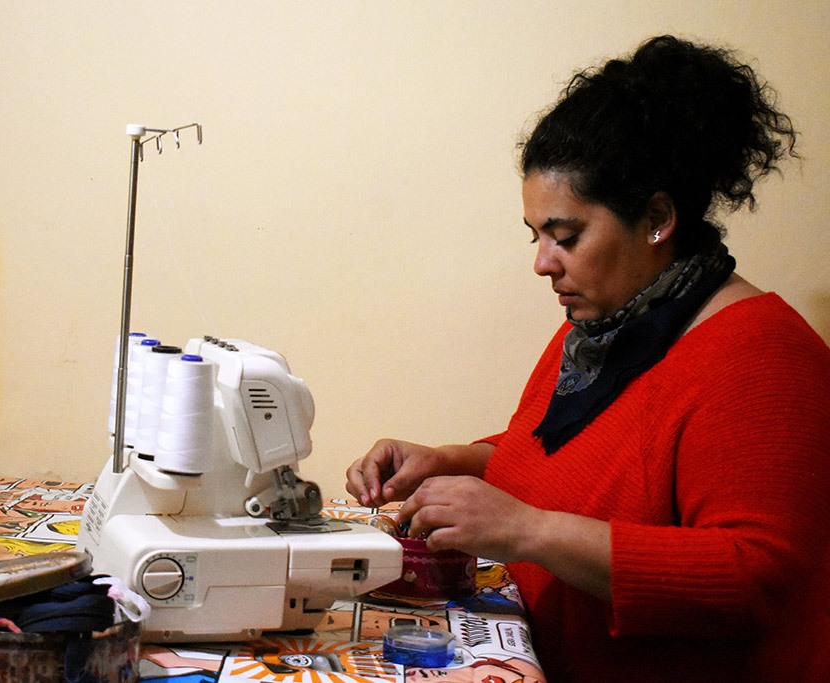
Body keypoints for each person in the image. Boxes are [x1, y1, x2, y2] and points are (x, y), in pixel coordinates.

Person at [345, 35, 830, 682]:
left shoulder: (763, 355)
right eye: (536, 236)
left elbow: (755, 577)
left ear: (657, 217)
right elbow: (565, 460)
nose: (543, 263)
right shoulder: (604, 324)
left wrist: (529, 532)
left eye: (565, 236)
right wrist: (450, 460)